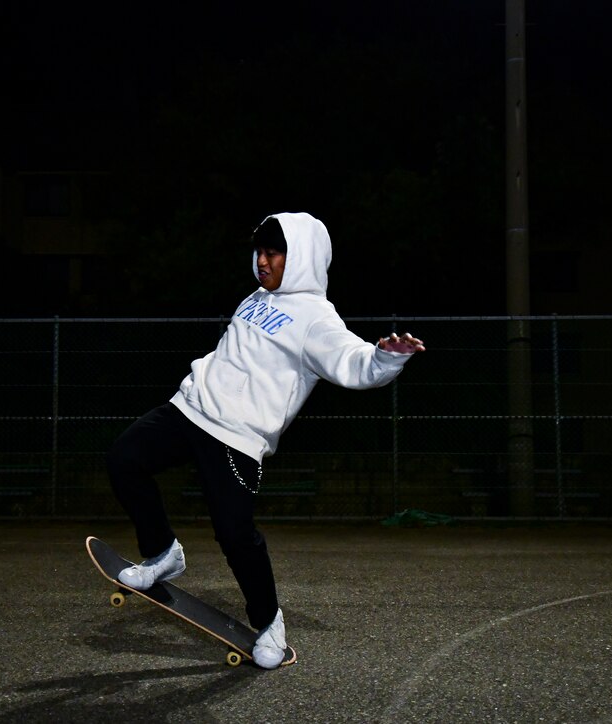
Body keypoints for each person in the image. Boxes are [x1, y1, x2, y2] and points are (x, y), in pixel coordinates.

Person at [107, 211, 424, 668]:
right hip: (189, 408)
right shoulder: (254, 298)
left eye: (273, 254)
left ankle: (269, 621)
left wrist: (384, 359)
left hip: (236, 437)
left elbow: (354, 362)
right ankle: (162, 553)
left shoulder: (316, 320)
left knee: (234, 535)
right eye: (259, 252)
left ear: (301, 258)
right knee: (124, 458)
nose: (262, 262)